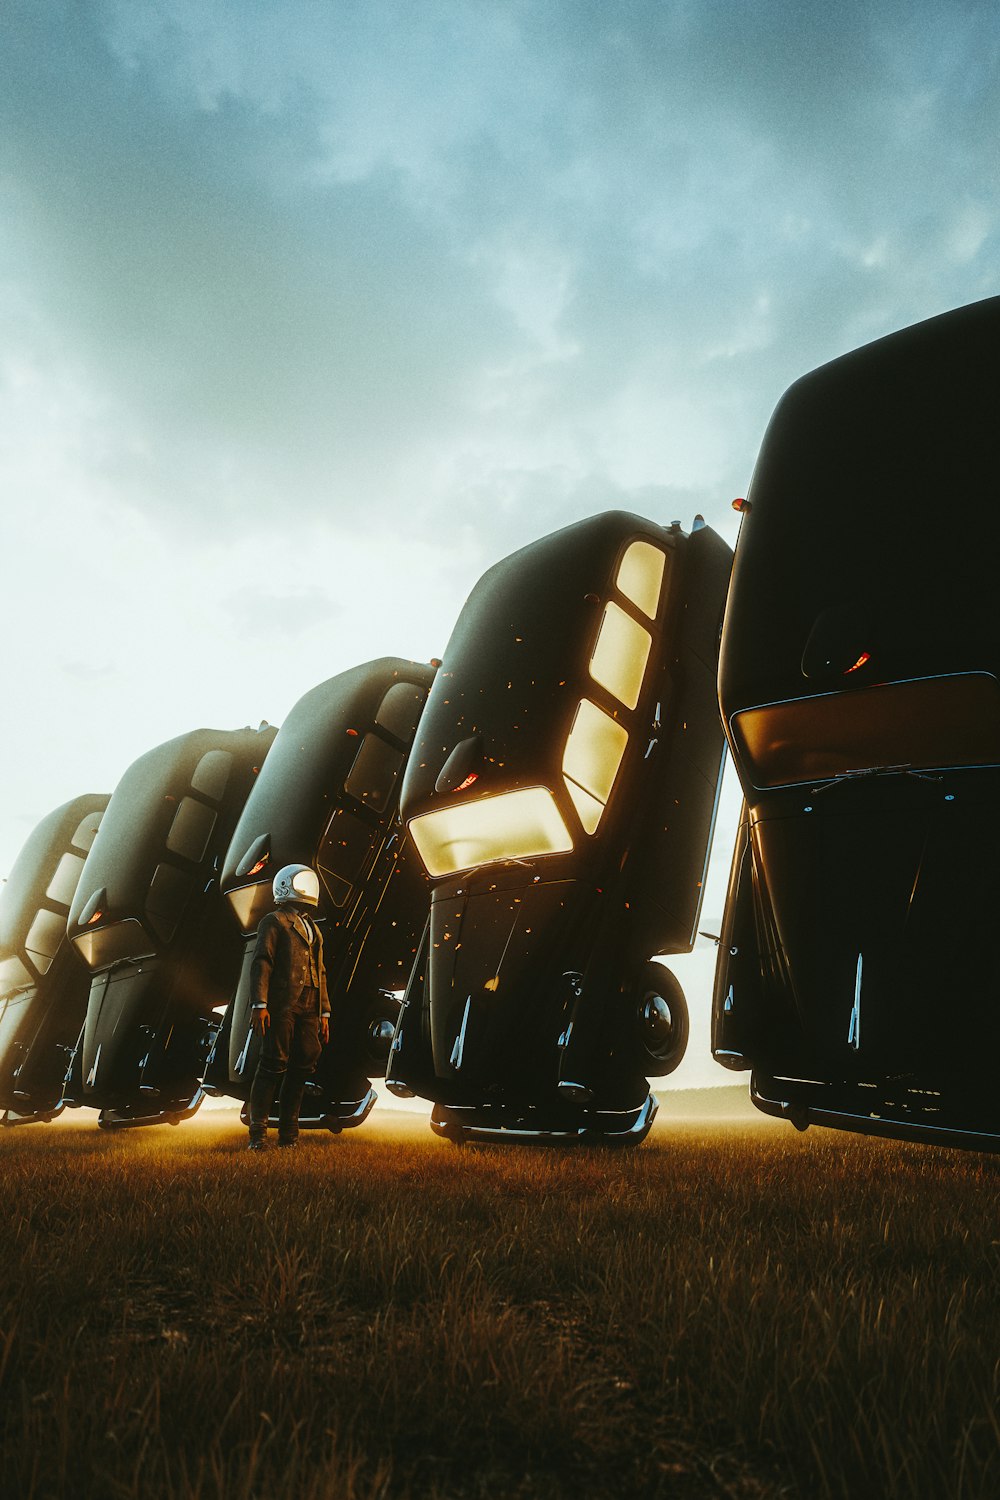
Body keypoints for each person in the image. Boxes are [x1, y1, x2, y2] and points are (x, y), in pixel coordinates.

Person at [246, 863, 330, 1150]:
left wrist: (324, 1012)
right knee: (273, 1064)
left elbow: (321, 971)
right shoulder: (274, 921)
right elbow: (262, 962)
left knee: (303, 1064)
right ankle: (258, 1135)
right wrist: (260, 1003)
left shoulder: (313, 928)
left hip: (310, 1005)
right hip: (282, 1003)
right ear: (285, 886)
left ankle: (288, 1137)